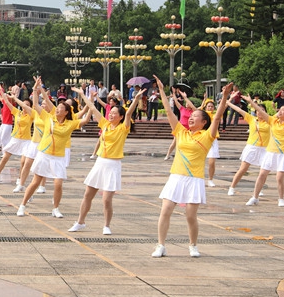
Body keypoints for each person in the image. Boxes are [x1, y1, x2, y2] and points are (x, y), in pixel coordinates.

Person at [150, 76, 231, 258]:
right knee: (165, 210)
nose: (191, 119)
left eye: (195, 117)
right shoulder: (181, 131)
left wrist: (224, 97)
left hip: (194, 179)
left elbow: (217, 117)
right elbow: (169, 112)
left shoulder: (207, 136)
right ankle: (161, 245)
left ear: (204, 122)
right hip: (176, 176)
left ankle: (193, 245)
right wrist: (162, 90)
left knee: (190, 216)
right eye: (191, 117)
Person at [68, 87, 143, 235]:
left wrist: (136, 99)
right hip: (100, 163)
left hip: (113, 165)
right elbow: (92, 108)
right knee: (88, 195)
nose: (111, 114)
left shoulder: (123, 128)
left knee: (106, 199)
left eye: (114, 113)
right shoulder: (105, 124)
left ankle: (106, 225)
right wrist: (83, 95)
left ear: (120, 117)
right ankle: (80, 222)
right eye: (111, 112)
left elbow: (129, 113)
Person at [17, 77, 90, 218]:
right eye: (58, 108)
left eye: (61, 109)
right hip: (44, 154)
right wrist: (36, 89)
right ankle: (22, 205)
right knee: (35, 182)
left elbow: (86, 119)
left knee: (58, 184)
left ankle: (55, 208)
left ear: (66, 112)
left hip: (58, 157)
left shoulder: (70, 124)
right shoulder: (49, 118)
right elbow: (36, 104)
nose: (57, 110)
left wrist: (86, 98)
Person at [245, 95, 284, 207]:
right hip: (270, 152)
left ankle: (281, 199)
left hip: (283, 154)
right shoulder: (273, 121)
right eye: (280, 109)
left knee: (279, 178)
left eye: (283, 110)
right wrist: (251, 102)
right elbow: (260, 111)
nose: (280, 111)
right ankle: (255, 197)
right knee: (262, 174)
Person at [0, 87, 33, 187]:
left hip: (26, 141)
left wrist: (15, 98)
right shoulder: (17, 112)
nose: (24, 106)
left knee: (23, 161)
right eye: (24, 104)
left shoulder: (31, 115)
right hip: (15, 139)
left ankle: (20, 179)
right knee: (5, 158)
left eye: (27, 105)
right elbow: (7, 103)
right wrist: (2, 93)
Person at [226, 94, 269, 196]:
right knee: (243, 169)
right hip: (252, 147)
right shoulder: (251, 119)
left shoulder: (270, 121)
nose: (260, 112)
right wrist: (228, 102)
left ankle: (259, 189)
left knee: (263, 171)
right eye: (258, 110)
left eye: (262, 110)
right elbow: (239, 110)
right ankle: (232, 187)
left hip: (265, 148)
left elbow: (281, 113)